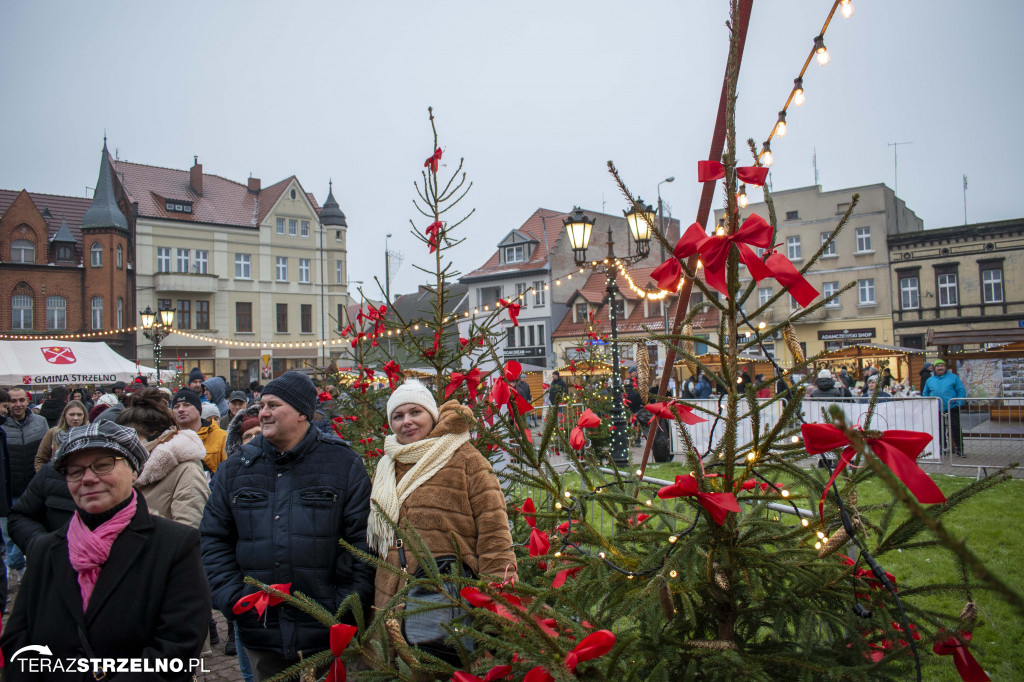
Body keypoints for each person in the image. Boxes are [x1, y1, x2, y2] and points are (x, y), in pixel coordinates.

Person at [1, 421, 211, 680]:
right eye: (75, 471)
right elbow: (19, 644)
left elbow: (176, 649)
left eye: (103, 465)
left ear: (134, 471)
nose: (88, 478)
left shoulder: (174, 545)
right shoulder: (46, 550)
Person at [201, 371, 374, 681]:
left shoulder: (343, 464)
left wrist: (345, 603)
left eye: (273, 405)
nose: (263, 412)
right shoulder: (235, 470)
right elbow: (214, 540)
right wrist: (233, 598)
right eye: (262, 405)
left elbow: (362, 541)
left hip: (326, 631)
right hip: (260, 630)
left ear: (302, 412)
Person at [369, 380, 515, 660]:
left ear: (431, 415)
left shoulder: (465, 459)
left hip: (450, 597)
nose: (407, 422)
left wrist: (498, 602)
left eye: (415, 412)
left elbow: (495, 534)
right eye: (398, 416)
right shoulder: (386, 467)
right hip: (391, 600)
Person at [1, 386, 48, 579]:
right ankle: (17, 567)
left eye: (21, 400)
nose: (18, 405)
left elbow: (46, 454)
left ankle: (19, 566)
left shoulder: (40, 422)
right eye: (13, 401)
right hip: (9, 488)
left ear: (28, 401)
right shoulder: (2, 425)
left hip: (34, 488)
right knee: (9, 533)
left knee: (32, 529)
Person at [172, 388, 227, 474]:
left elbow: (229, 472)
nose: (180, 409)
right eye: (176, 407)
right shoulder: (168, 439)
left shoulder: (221, 437)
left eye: (186, 405)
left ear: (199, 410)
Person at [923, 360, 967, 457]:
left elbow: (961, 390)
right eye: (938, 366)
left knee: (955, 427)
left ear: (945, 367)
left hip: (952, 406)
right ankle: (942, 447)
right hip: (936, 408)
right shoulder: (930, 380)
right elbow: (925, 393)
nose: (940, 368)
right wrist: (927, 404)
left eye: (942, 365)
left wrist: (959, 402)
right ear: (935, 368)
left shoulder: (953, 378)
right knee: (939, 429)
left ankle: (960, 448)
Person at [34, 399, 88, 471]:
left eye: (79, 415)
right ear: (65, 415)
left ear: (84, 416)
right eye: (71, 414)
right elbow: (40, 459)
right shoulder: (53, 433)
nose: (76, 418)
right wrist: (45, 479)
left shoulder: (90, 435)